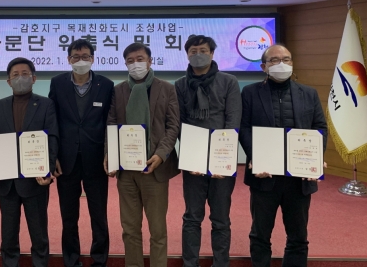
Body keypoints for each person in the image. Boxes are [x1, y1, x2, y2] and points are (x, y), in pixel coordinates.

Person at [239, 44, 327, 267]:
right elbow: (244, 128)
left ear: (292, 63)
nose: (281, 64)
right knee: (260, 235)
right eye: (274, 60)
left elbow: (320, 127)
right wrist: (255, 156)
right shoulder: (250, 92)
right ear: (264, 67)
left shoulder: (309, 93)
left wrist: (316, 159)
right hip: (264, 176)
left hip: (298, 178)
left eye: (286, 59)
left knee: (298, 236)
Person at [104, 42, 180, 267]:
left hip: (154, 169)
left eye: (140, 59)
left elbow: (173, 126)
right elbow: (111, 123)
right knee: (129, 229)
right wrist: (110, 153)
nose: (135, 64)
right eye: (130, 61)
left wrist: (161, 154)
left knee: (158, 230)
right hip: (126, 171)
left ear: (150, 61)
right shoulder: (118, 91)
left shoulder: (167, 89)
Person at [175, 35, 242, 267]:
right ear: (187, 55)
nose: (198, 55)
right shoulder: (180, 85)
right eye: (193, 51)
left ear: (212, 53)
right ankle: (190, 263)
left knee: (220, 218)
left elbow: (233, 120)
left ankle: (221, 263)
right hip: (193, 161)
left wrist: (222, 159)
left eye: (203, 50)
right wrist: (191, 157)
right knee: (192, 217)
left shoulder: (228, 81)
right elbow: (180, 123)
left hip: (222, 161)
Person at [0, 57, 58, 267]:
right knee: (8, 233)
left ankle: (40, 264)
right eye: (15, 75)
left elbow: (52, 138)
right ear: (8, 81)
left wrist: (48, 170)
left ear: (34, 78)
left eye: (25, 74)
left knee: (39, 232)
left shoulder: (46, 104)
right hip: (7, 181)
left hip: (35, 180)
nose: (20, 78)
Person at [49, 39, 114, 267]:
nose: (81, 60)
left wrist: (110, 153)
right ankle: (71, 260)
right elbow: (52, 121)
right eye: (76, 57)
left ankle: (99, 260)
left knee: (99, 215)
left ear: (92, 59)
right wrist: (53, 156)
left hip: (96, 159)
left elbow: (110, 122)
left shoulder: (106, 85)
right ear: (69, 59)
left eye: (85, 56)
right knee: (69, 216)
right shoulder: (57, 83)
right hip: (66, 160)